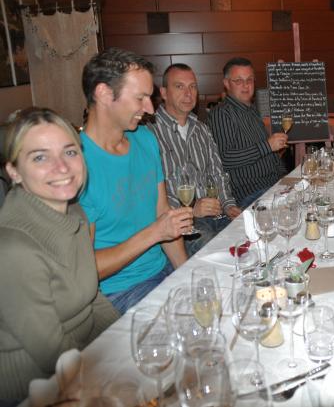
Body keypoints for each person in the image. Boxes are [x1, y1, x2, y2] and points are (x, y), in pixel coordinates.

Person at [0, 108, 119, 402]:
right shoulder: (12, 249)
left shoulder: (74, 213)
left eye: (70, 152)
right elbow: (51, 353)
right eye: (40, 157)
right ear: (14, 171)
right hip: (33, 386)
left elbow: (93, 297)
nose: (62, 167)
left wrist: (122, 342)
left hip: (84, 357)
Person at [79, 47, 192, 314]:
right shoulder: (75, 165)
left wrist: (188, 275)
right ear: (104, 93)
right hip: (119, 292)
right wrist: (154, 233)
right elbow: (86, 270)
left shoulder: (145, 140)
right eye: (140, 98)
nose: (150, 108)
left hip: (163, 272)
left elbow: (163, 215)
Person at [149, 64, 241, 257]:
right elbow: (152, 196)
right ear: (164, 93)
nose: (188, 93)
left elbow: (217, 173)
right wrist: (191, 210)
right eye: (179, 86)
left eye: (192, 87)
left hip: (217, 215)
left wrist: (228, 205)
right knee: (220, 253)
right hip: (182, 225)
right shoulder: (149, 133)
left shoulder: (202, 129)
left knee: (250, 238)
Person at [206, 57, 287, 207]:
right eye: (238, 81)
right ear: (226, 84)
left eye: (249, 80)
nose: (246, 85)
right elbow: (225, 159)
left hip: (274, 187)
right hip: (250, 195)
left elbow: (271, 155)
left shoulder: (252, 110)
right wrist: (267, 145)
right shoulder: (222, 113)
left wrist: (284, 177)